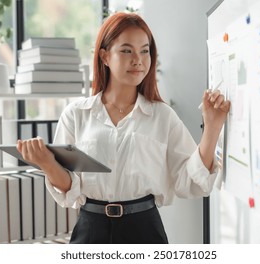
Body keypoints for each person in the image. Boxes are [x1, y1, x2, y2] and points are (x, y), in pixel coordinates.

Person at [17, 12, 231, 244]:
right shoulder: (76, 114)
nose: (138, 60)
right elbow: (70, 188)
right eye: (127, 50)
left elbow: (190, 180)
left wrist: (212, 126)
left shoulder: (162, 116)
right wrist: (47, 163)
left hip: (145, 230)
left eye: (144, 50)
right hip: (91, 230)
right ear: (105, 56)